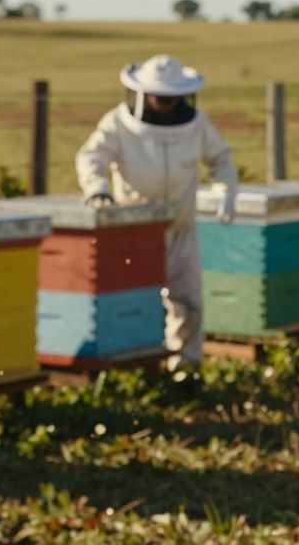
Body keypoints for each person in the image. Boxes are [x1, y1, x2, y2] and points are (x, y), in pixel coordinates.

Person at [76, 54, 238, 366]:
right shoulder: (118, 123)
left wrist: (227, 191)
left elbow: (221, 158)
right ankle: (134, 369)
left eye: (171, 98)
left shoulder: (197, 124)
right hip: (133, 231)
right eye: (159, 97)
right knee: (133, 304)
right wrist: (96, 188)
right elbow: (91, 157)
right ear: (141, 93)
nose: (164, 103)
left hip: (180, 228)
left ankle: (185, 369)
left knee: (188, 305)